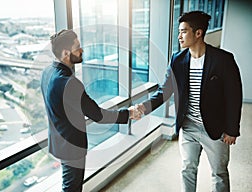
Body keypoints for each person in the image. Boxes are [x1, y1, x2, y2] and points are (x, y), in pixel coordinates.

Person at [136, 11, 242, 192]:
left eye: (184, 31)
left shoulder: (223, 59)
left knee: (219, 173)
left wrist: (232, 129)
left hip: (216, 129)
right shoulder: (177, 60)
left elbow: (234, 96)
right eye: (179, 31)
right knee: (187, 169)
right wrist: (144, 107)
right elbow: (165, 91)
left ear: (198, 33)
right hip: (189, 126)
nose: (179, 36)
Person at [41, 29, 141, 192]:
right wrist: (129, 113)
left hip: (58, 142)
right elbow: (99, 115)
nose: (82, 50)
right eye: (78, 47)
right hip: (72, 147)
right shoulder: (68, 83)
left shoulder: (47, 72)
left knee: (69, 184)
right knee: (72, 188)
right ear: (66, 53)